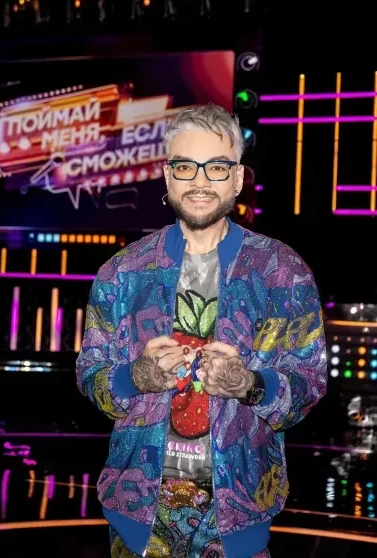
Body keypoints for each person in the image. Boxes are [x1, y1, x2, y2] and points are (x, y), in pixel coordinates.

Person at [76, 103, 327, 557]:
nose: (200, 181)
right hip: (138, 518)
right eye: (185, 166)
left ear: (237, 178)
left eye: (216, 167)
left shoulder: (281, 271)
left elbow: (308, 383)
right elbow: (90, 373)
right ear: (167, 175)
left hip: (239, 519)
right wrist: (136, 377)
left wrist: (249, 385)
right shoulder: (123, 272)